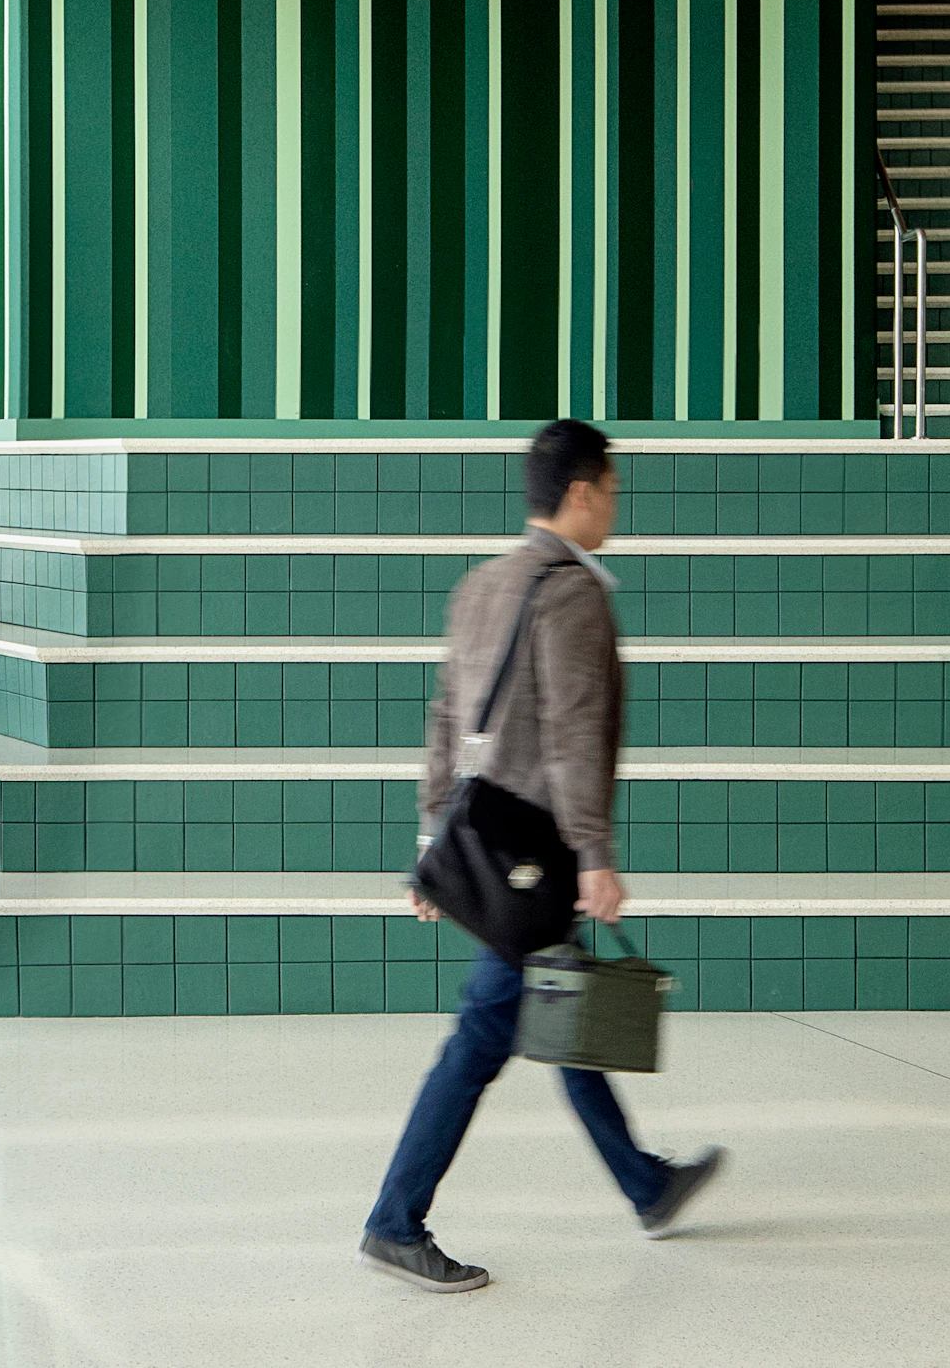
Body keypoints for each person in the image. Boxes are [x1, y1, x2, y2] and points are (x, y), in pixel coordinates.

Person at [360, 416, 726, 1294]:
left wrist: (430, 845)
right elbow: (571, 732)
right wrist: (595, 853)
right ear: (582, 490)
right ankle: (393, 1220)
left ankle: (647, 1183)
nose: (614, 508)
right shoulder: (572, 593)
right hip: (536, 852)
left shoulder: (480, 586)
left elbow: (445, 718)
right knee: (487, 1031)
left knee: (553, 1011)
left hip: (482, 842)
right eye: (611, 490)